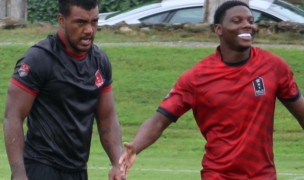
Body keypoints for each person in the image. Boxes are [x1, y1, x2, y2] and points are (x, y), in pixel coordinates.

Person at [118, 1, 304, 179]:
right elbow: (159, 121)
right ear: (218, 29)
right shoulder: (197, 78)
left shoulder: (273, 67)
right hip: (218, 175)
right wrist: (135, 146)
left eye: (251, 20)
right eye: (237, 21)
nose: (247, 25)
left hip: (264, 176)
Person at [3, 0, 124, 179]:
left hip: (78, 170)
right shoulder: (38, 59)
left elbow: (107, 119)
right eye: (81, 22)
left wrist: (117, 162)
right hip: (40, 167)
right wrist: (19, 174)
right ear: (61, 20)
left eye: (94, 22)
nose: (89, 30)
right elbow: (13, 116)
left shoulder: (100, 62)